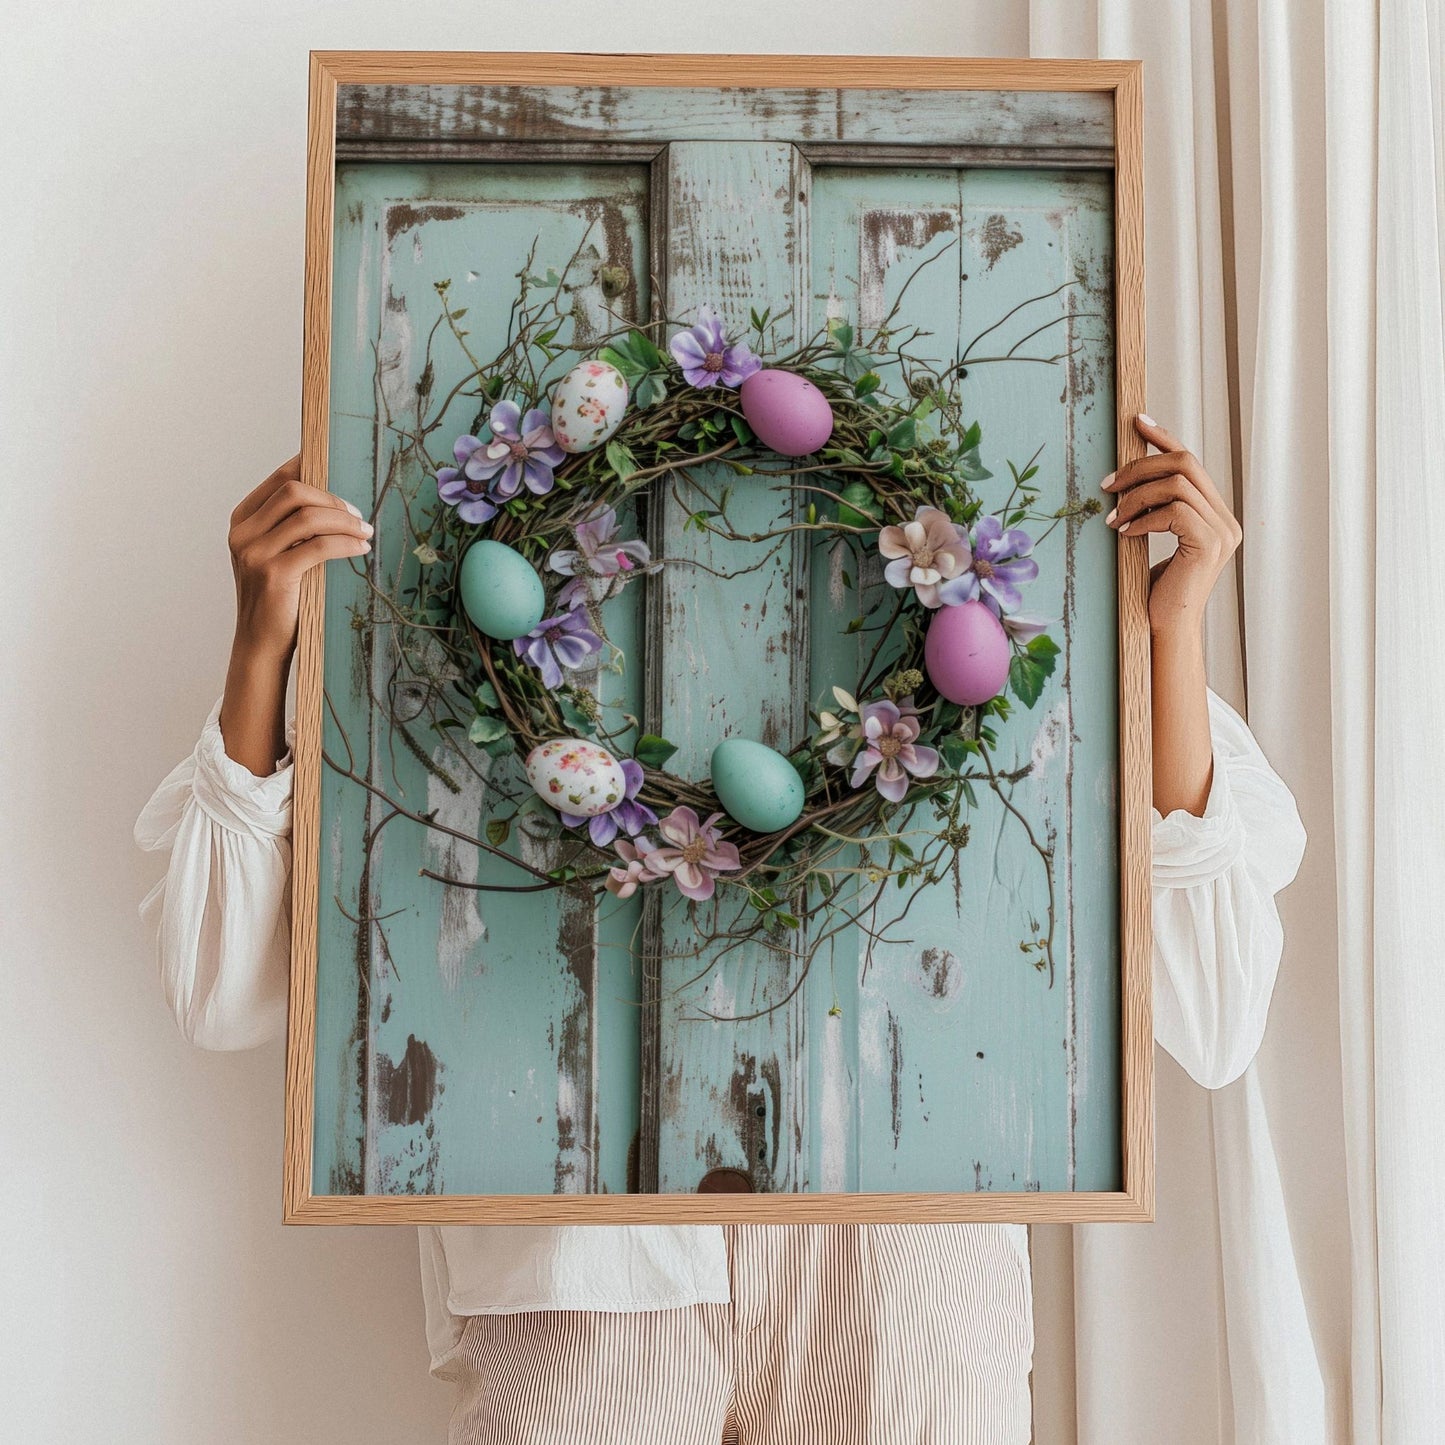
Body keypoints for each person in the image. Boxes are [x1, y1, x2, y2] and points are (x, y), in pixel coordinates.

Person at [135, 414, 1305, 1444]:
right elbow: (223, 989)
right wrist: (262, 644)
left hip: (900, 1246)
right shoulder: (429, 601)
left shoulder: (1005, 620)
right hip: (585, 1254)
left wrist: (1170, 629)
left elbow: (1210, 1017)